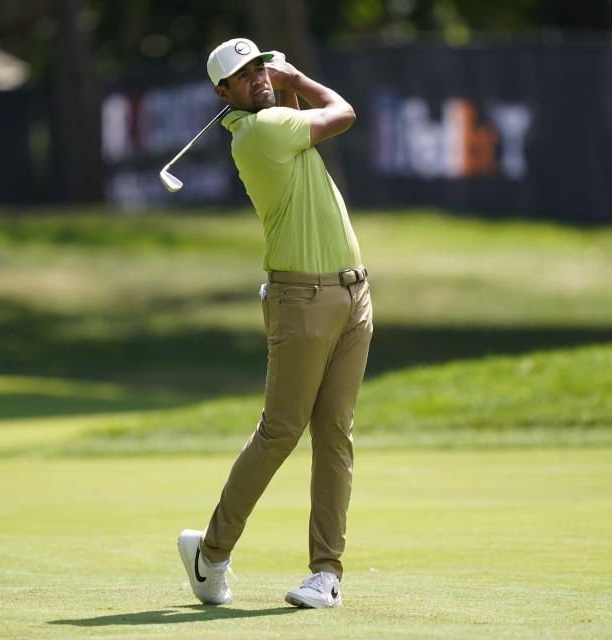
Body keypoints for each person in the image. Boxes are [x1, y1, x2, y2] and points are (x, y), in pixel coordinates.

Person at [178, 37, 373, 610]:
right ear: (225, 94)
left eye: (260, 66)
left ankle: (325, 574)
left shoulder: (275, 120)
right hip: (301, 300)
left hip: (354, 293)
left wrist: (280, 81)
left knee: (335, 433)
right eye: (244, 75)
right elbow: (343, 112)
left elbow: (310, 114)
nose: (258, 77)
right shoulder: (261, 131)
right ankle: (210, 554)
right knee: (281, 431)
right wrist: (296, 76)